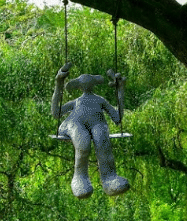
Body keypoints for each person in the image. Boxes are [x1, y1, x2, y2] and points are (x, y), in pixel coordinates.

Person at [52, 63, 130, 199]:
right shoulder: (76, 102)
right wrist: (58, 84)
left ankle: (110, 178)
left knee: (101, 137)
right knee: (83, 141)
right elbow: (56, 113)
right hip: (74, 124)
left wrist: (120, 90)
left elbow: (117, 118)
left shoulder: (100, 100)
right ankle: (80, 178)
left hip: (98, 124)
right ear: (79, 87)